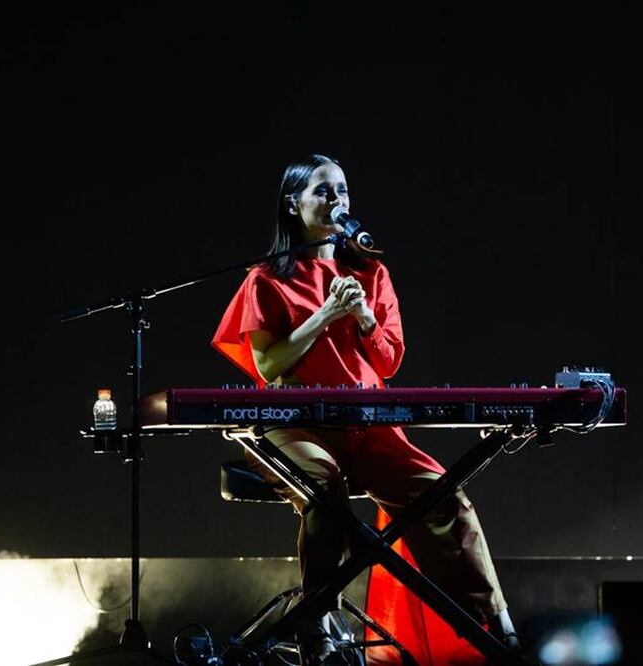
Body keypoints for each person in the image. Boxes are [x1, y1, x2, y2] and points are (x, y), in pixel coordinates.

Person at [210, 155, 523, 665]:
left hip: (367, 424)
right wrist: (324, 314)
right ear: (293, 204)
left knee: (444, 496)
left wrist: (360, 315)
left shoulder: (371, 274)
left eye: (343, 191)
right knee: (325, 490)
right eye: (323, 191)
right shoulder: (266, 279)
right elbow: (269, 366)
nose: (337, 201)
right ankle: (317, 622)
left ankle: (498, 626)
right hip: (297, 424)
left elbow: (389, 360)